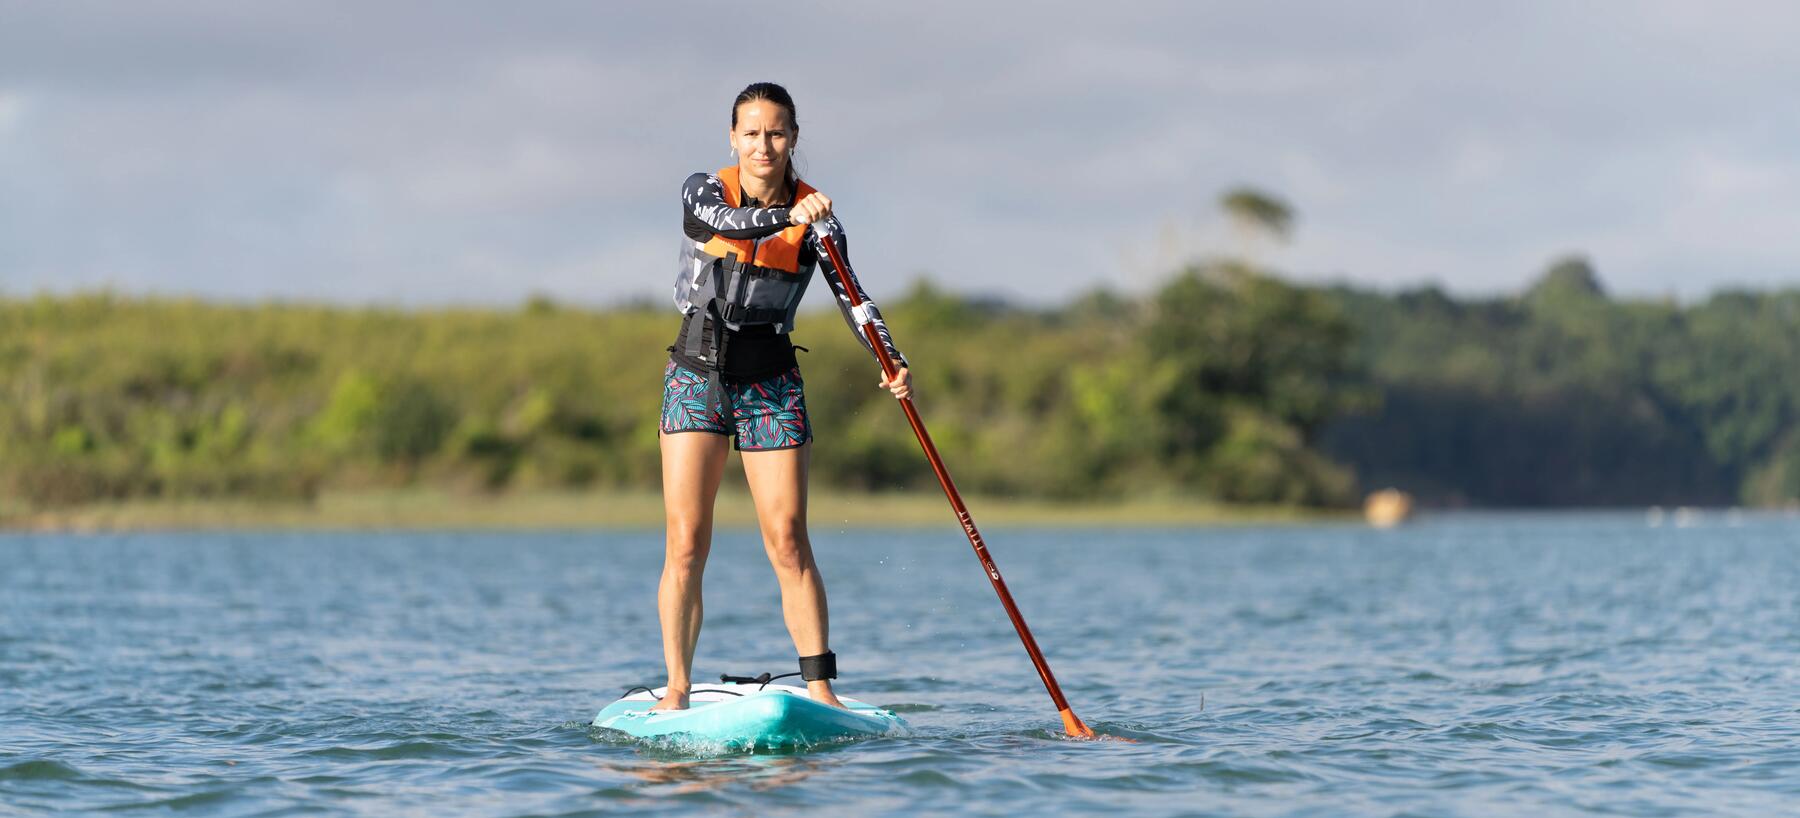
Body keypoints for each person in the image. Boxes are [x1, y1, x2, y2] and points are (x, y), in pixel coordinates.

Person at [653, 82, 912, 711]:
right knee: (687, 539)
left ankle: (821, 688)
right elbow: (724, 224)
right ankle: (678, 690)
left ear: (793, 137)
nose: (762, 145)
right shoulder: (704, 190)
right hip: (698, 372)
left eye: (776, 133)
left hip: (770, 378)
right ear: (733, 138)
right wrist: (789, 215)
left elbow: (854, 297)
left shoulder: (819, 219)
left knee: (789, 538)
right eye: (750, 133)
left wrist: (890, 356)